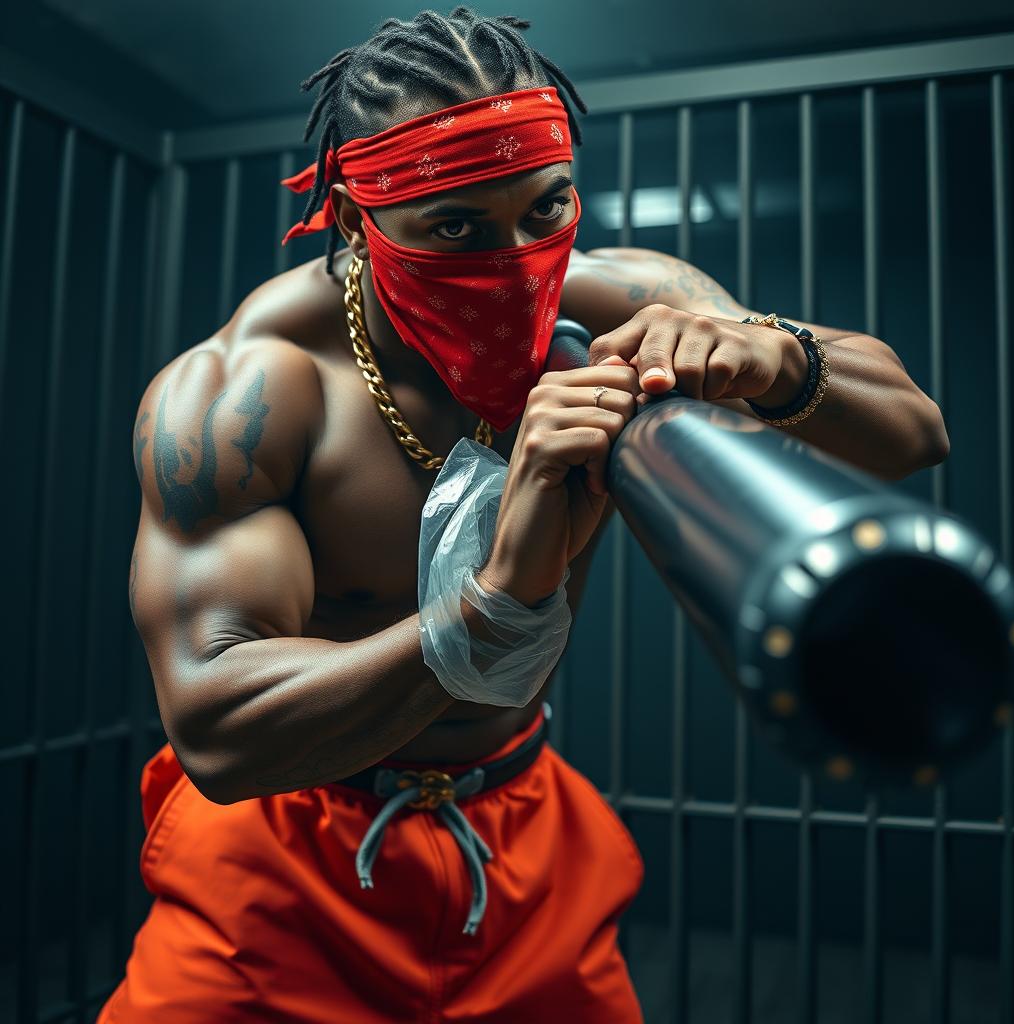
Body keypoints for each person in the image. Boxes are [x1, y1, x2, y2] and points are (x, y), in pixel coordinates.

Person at [99, 7, 949, 1022]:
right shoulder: (249, 393)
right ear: (349, 217)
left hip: (515, 838)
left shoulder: (622, 299)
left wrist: (772, 360)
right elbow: (220, 730)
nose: (514, 262)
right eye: (455, 227)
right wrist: (494, 608)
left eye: (544, 211)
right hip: (283, 855)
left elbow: (912, 431)